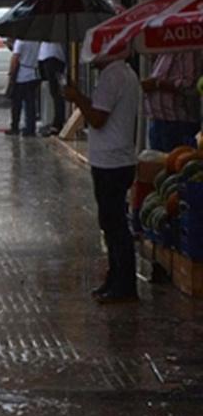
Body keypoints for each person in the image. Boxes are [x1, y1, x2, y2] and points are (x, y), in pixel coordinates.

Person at [63, 51, 140, 304]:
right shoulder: (126, 72)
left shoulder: (112, 77)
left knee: (114, 223)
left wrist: (77, 98)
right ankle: (115, 277)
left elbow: (96, 119)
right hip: (120, 158)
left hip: (110, 161)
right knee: (112, 221)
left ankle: (124, 284)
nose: (89, 56)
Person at [140, 51, 202, 152]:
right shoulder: (165, 51)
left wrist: (157, 84)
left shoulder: (187, 50)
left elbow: (189, 85)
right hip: (158, 121)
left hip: (177, 123)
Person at [5, 39, 41, 137]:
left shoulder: (20, 42)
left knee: (16, 103)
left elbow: (15, 58)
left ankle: (15, 127)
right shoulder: (36, 42)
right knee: (31, 103)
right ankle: (30, 128)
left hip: (21, 77)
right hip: (33, 75)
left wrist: (11, 74)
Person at [38, 42, 67, 135]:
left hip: (51, 58)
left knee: (56, 92)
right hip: (49, 58)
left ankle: (58, 122)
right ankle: (55, 120)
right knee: (52, 91)